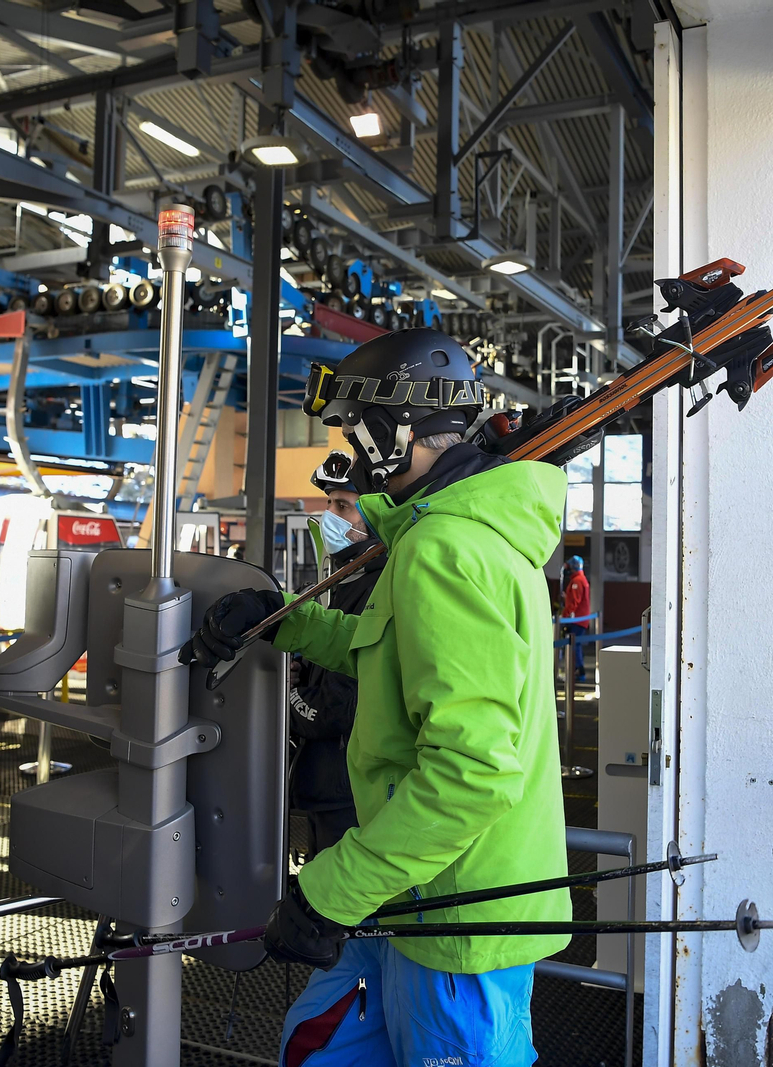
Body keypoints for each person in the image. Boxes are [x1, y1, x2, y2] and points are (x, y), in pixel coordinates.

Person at [182, 329, 569, 1067]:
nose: (349, 455)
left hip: (452, 919)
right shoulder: (438, 537)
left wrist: (330, 888)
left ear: (397, 428)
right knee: (316, 1045)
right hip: (409, 889)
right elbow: (380, 647)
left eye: (353, 430)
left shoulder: (445, 550)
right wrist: (282, 621)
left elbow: (472, 774)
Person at [288, 452, 385, 859]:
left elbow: (335, 708)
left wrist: (289, 695)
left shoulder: (377, 587)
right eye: (328, 503)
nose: (328, 514)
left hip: (349, 785)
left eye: (342, 506)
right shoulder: (344, 581)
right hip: (327, 780)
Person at [560, 555, 592, 683]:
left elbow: (574, 602)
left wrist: (564, 615)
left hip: (577, 620)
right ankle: (577, 670)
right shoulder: (581, 579)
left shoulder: (577, 581)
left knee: (574, 645)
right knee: (575, 645)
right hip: (580, 619)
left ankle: (578, 671)